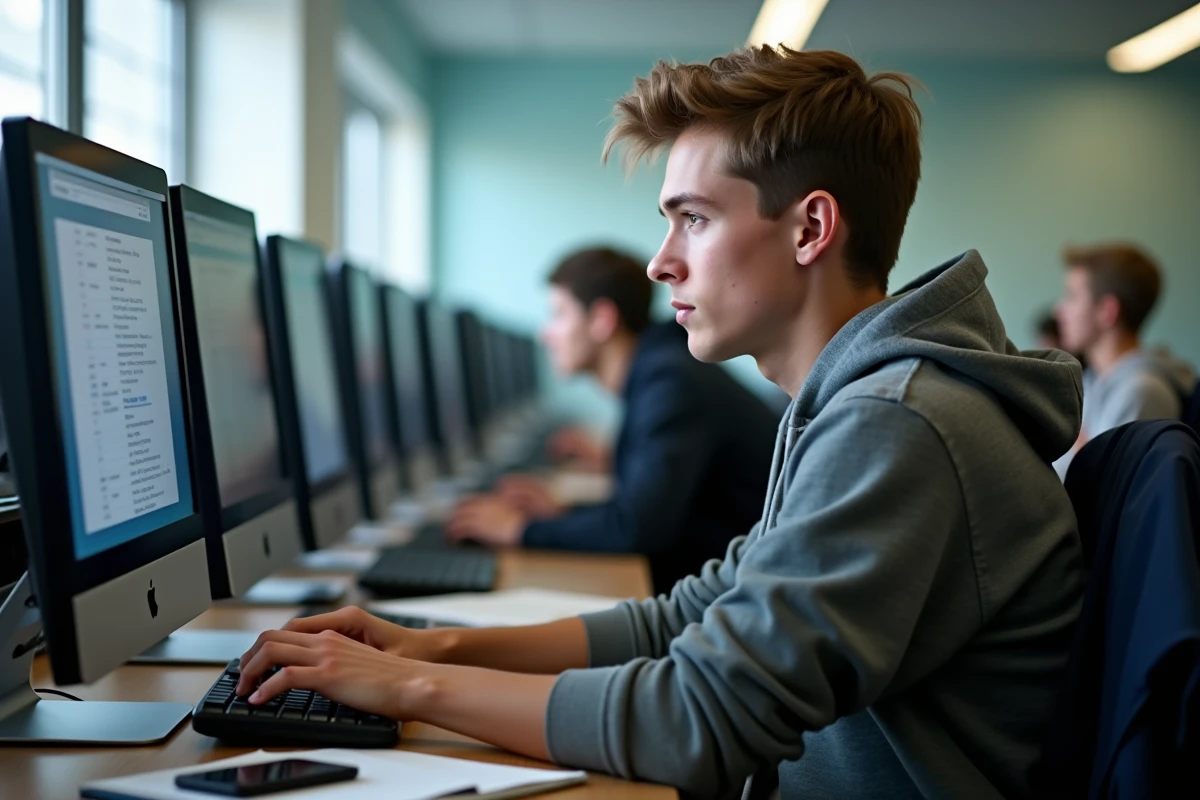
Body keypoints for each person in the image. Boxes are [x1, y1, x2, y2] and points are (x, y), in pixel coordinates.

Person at [236, 46, 1084, 799]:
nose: (659, 261)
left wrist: (403, 689)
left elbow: (701, 721)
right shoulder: (857, 401)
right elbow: (690, 615)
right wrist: (434, 649)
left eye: (696, 218)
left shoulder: (897, 422)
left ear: (811, 228)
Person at [445, 246, 778, 592]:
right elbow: (641, 509)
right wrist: (563, 514)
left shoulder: (671, 384)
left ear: (602, 320)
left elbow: (636, 528)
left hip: (740, 595)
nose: (547, 334)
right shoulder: (661, 369)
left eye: (558, 314)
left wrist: (519, 529)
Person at [1053, 243, 1195, 478]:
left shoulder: (1142, 392)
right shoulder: (1092, 382)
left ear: (1108, 311)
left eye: (1072, 296)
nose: (1059, 310)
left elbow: (1101, 496)